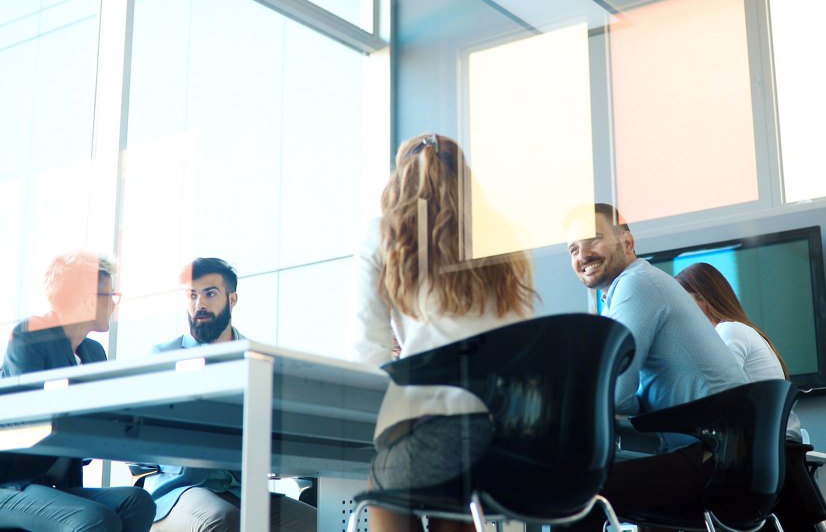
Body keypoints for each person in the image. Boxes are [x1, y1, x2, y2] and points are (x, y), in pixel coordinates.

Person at [347, 133, 536, 532]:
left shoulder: (384, 232)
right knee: (457, 496)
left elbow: (369, 351)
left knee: (384, 480)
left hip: (447, 432)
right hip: (522, 440)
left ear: (399, 182)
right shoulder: (504, 237)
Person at [561, 204, 749, 531]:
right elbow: (622, 396)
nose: (582, 255)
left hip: (713, 458)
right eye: (573, 249)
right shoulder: (639, 285)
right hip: (723, 453)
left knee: (576, 493)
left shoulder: (637, 285)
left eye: (592, 240)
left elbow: (615, 394)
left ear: (628, 244)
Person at [140, 258, 316, 532]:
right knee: (221, 520)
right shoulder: (164, 357)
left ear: (232, 299)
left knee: (319, 523)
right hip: (179, 490)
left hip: (242, 490)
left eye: (210, 293)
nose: (200, 304)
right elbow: (138, 440)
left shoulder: (257, 358)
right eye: (192, 295)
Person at [0, 251, 156, 532]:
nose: (113, 304)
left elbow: (96, 426)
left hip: (55, 486)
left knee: (137, 501)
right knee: (95, 518)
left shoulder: (93, 352)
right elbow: (32, 418)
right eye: (110, 296)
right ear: (87, 298)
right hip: (12, 484)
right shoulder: (32, 334)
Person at [675, 261, 802, 440]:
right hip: (774, 446)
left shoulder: (729, 330)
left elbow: (714, 392)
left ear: (702, 299)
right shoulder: (741, 330)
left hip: (768, 447)